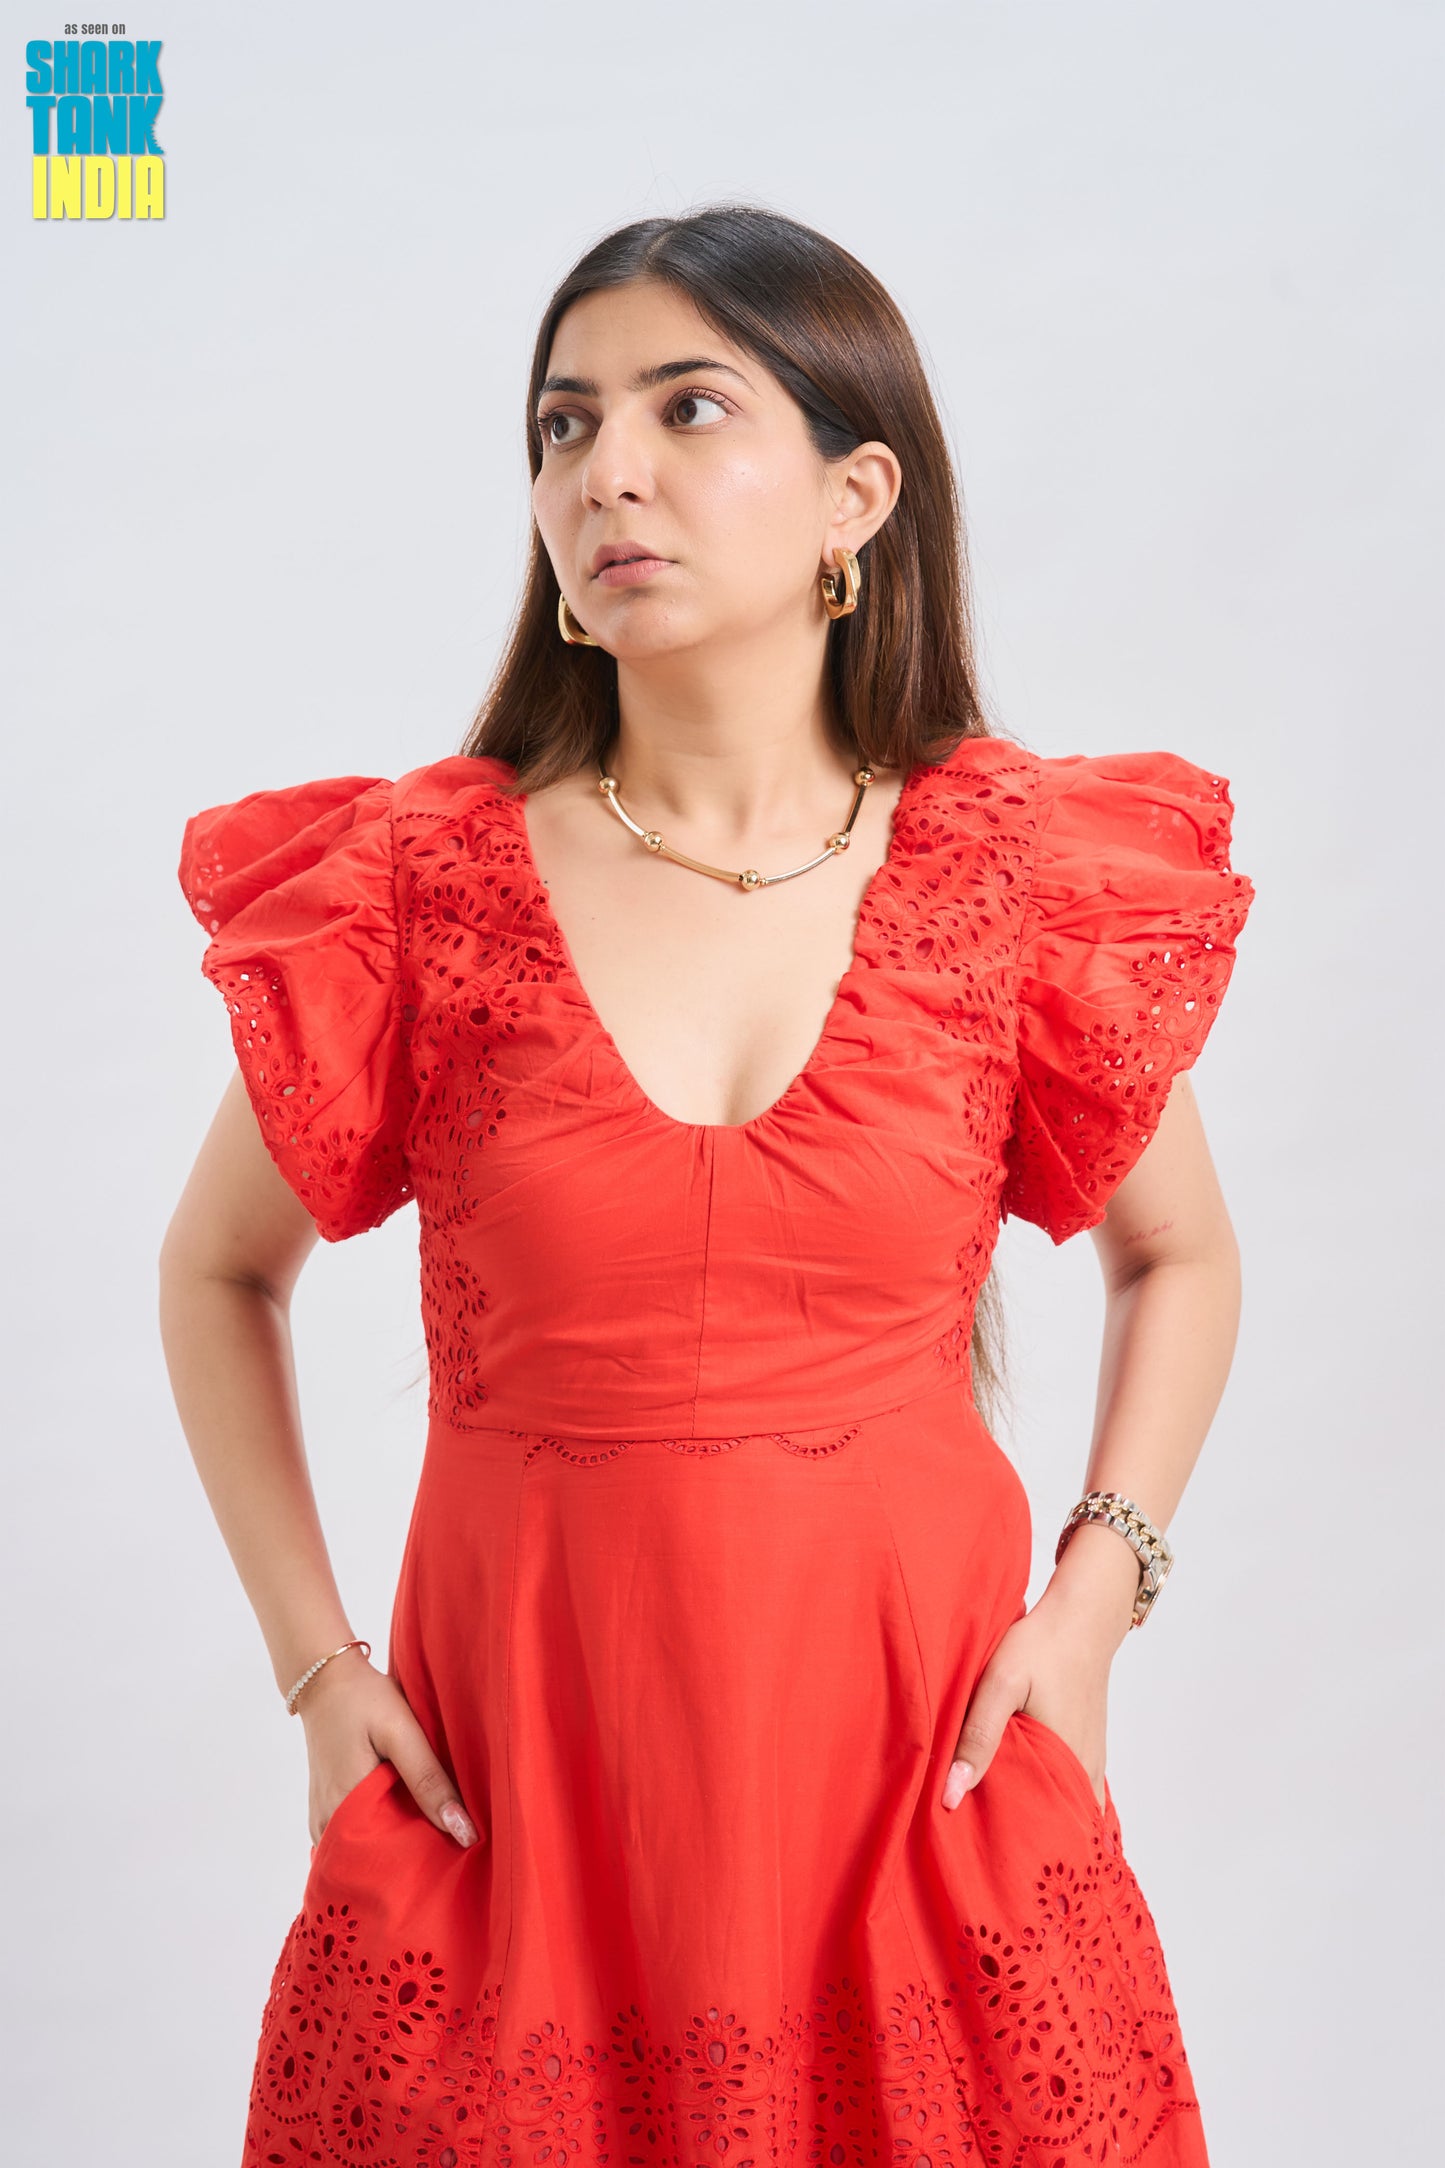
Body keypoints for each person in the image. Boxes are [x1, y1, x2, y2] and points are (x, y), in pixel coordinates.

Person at [160, 204, 1255, 2166]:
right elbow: (216, 1273)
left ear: (858, 496)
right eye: (565, 426)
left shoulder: (1009, 868)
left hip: (926, 1788)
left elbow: (1180, 1253)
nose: (610, 473)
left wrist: (1098, 1600)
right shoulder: (419, 882)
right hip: (528, 1807)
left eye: (686, 408)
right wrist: (319, 1672)